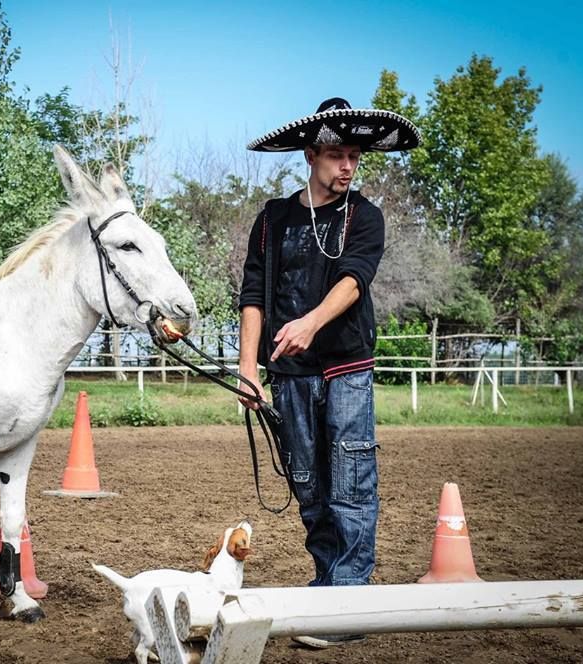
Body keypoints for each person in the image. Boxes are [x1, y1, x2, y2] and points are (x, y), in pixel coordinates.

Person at [238, 98, 420, 648]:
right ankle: (328, 583)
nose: (347, 166)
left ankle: (347, 601)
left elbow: (354, 278)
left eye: (355, 157)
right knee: (309, 485)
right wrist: (249, 366)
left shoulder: (365, 216)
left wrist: (312, 323)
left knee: (350, 478)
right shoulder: (273, 220)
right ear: (310, 155)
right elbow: (252, 296)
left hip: (346, 366)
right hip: (288, 372)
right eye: (337, 155)